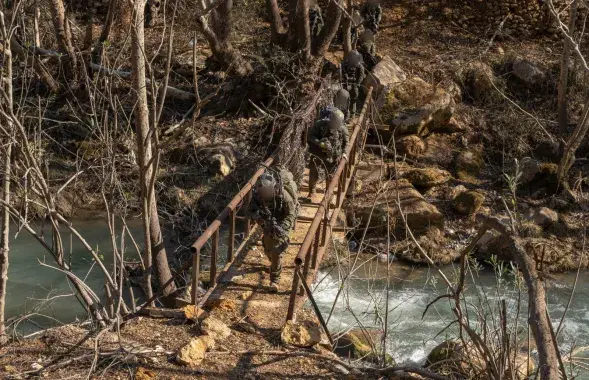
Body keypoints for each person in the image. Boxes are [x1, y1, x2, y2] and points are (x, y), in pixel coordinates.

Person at [247, 168, 298, 292]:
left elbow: (290, 215)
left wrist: (283, 228)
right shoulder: (258, 196)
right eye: (262, 191)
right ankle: (273, 258)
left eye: (266, 191)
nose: (264, 193)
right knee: (268, 248)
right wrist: (260, 219)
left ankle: (275, 279)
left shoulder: (284, 196)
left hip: (283, 220)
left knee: (276, 250)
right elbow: (249, 211)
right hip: (267, 221)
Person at [307, 107, 348, 197]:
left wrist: (344, 153)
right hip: (318, 152)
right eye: (333, 122)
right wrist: (319, 143)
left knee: (331, 176)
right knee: (314, 172)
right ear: (330, 119)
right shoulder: (320, 124)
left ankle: (328, 194)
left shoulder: (342, 129)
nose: (335, 124)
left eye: (337, 123)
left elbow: (346, 143)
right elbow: (310, 136)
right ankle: (312, 191)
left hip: (333, 155)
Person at [341, 50, 366, 115]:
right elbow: (342, 72)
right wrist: (344, 76)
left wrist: (357, 84)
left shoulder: (359, 65)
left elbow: (361, 76)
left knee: (353, 98)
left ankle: (352, 113)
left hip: (354, 84)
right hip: (346, 83)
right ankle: (345, 113)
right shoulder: (346, 64)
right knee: (345, 98)